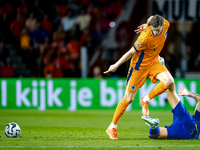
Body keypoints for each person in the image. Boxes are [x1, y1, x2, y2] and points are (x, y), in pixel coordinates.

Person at [104, 14, 174, 140]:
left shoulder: (166, 24)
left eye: (158, 30)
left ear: (163, 26)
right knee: (129, 99)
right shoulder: (144, 38)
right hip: (139, 67)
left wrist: (147, 23)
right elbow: (130, 52)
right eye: (154, 29)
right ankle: (112, 127)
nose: (156, 32)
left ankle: (146, 99)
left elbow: (152, 17)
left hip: (153, 62)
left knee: (169, 81)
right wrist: (116, 65)